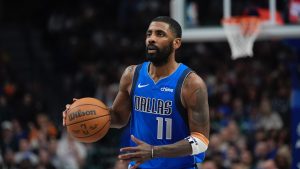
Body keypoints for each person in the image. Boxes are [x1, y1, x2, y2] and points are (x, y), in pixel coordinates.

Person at [63, 16, 210, 169]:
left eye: (160, 34)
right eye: (149, 34)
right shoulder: (132, 75)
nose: (151, 39)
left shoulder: (191, 84)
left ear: (176, 43)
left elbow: (200, 141)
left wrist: (154, 151)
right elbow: (119, 117)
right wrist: (78, 114)